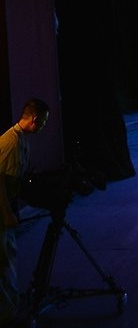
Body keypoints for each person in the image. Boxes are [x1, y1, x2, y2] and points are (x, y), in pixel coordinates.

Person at [1, 97, 49, 323]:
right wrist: (8, 215)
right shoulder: (10, 143)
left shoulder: (21, 142)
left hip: (6, 210)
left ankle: (10, 309)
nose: (43, 127)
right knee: (4, 265)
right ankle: (8, 315)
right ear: (35, 119)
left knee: (7, 261)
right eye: (44, 122)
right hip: (2, 212)